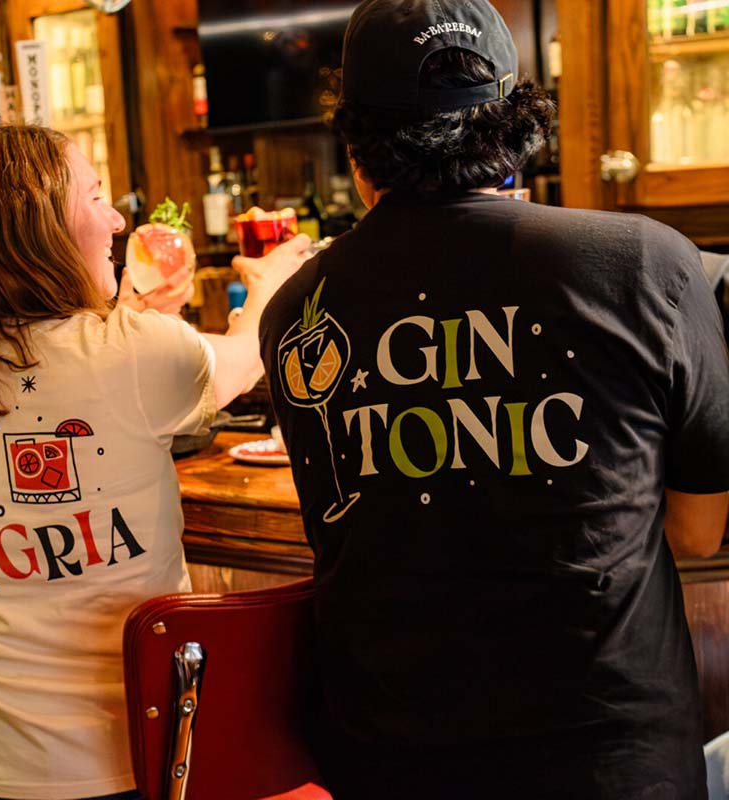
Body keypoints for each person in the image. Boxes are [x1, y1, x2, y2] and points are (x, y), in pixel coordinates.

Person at [259, 1, 729, 798]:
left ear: (357, 145)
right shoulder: (646, 265)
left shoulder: (297, 312)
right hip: (610, 761)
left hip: (394, 762)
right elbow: (696, 531)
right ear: (513, 125)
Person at [0, 124, 308, 800]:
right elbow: (241, 359)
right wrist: (270, 282)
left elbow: (55, 365)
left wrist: (127, 311)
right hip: (112, 764)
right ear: (37, 228)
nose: (116, 221)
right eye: (96, 196)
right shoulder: (132, 351)